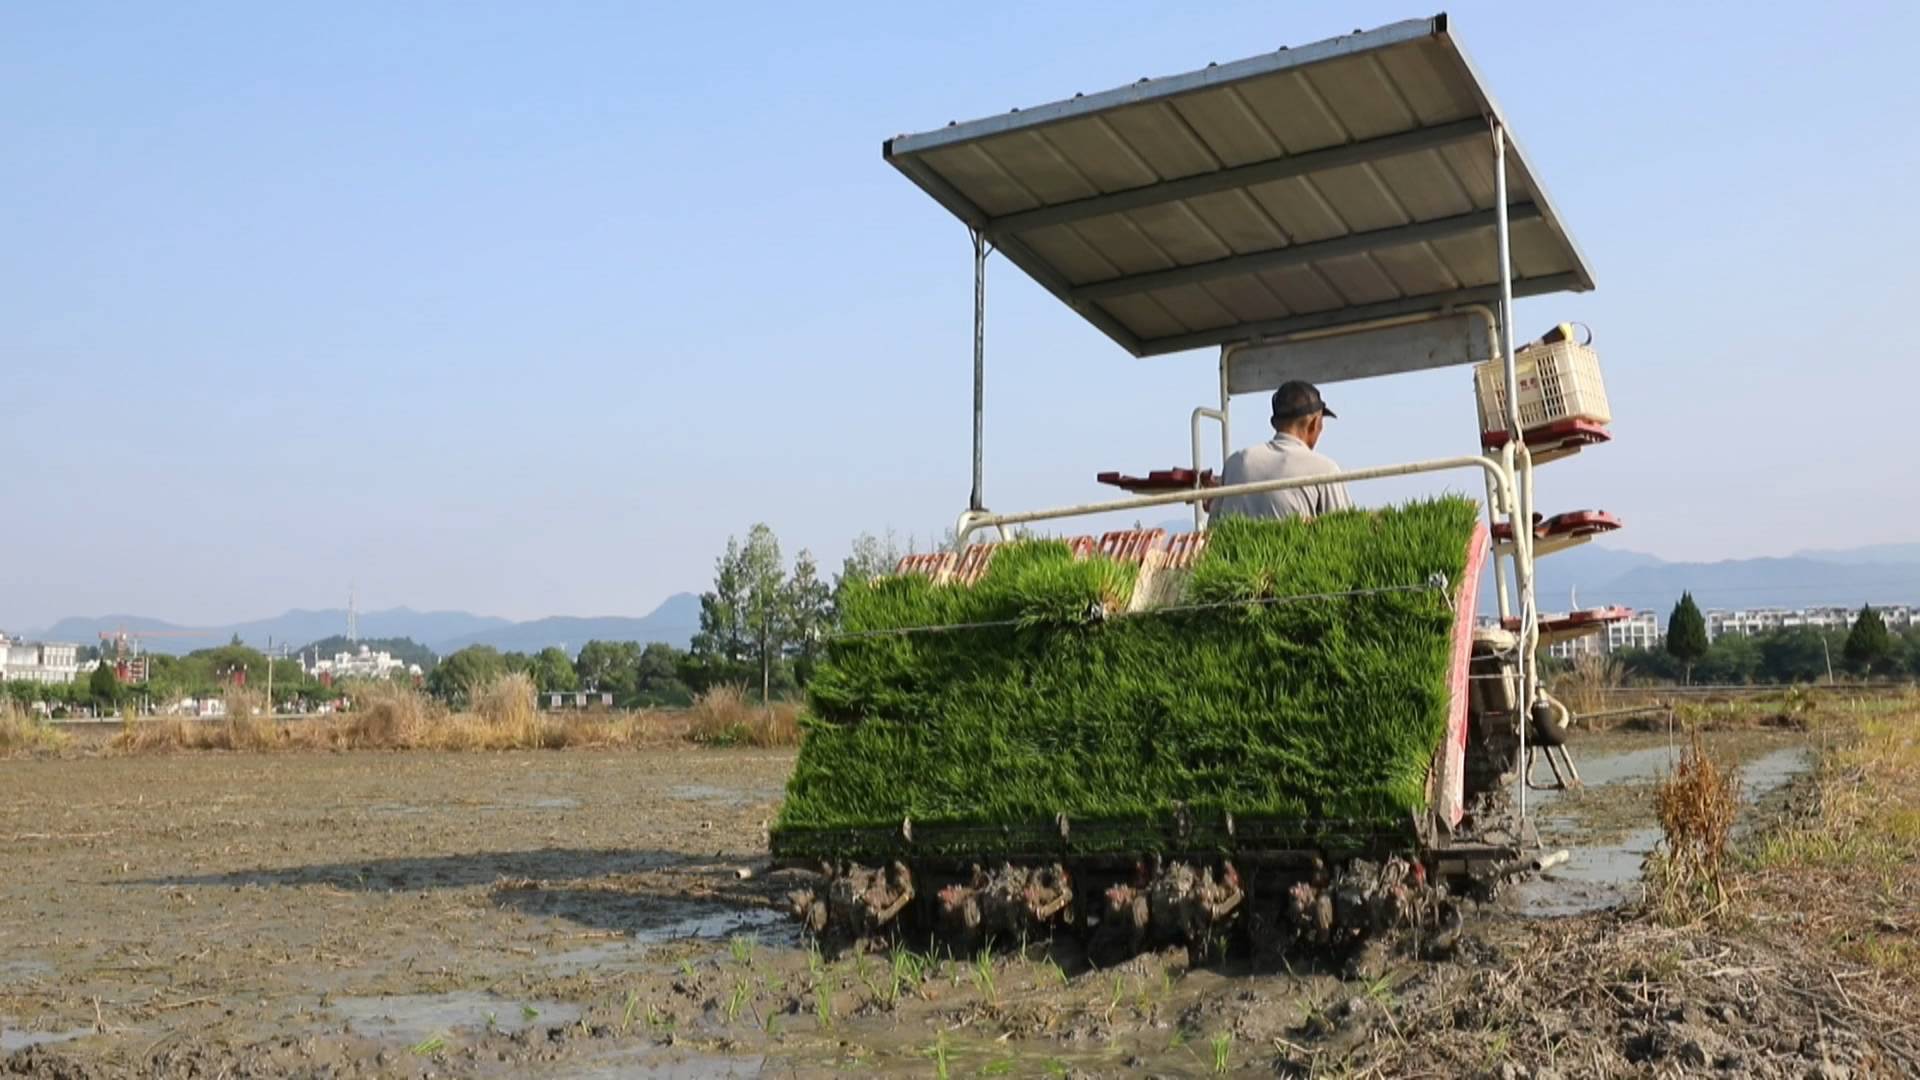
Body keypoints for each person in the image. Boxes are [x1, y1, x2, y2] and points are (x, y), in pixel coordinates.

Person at [1209, 380, 1353, 522]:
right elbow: (1346, 529)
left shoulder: (1236, 462)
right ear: (1315, 424)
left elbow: (1213, 528)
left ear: (1274, 423)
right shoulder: (1324, 469)